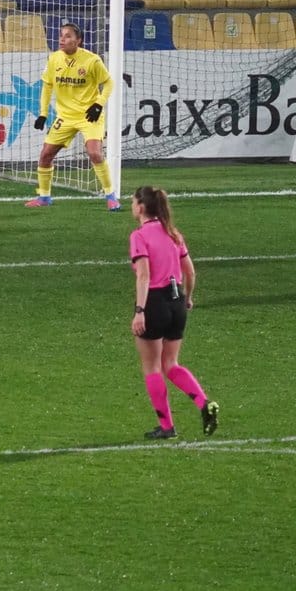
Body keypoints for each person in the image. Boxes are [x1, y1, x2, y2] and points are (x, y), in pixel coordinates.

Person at [128, 185, 219, 439]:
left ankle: (167, 427)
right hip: (177, 301)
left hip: (155, 302)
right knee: (171, 364)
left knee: (152, 366)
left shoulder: (139, 236)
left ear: (142, 207)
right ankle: (204, 403)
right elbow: (190, 272)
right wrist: (187, 298)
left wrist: (139, 311)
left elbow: (144, 275)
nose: (132, 206)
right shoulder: (173, 234)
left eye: (133, 202)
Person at [25, 22, 119, 210]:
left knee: (94, 153)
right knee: (45, 155)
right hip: (65, 116)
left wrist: (98, 104)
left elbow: (109, 83)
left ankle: (111, 196)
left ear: (78, 41)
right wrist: (43, 114)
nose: (62, 39)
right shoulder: (54, 59)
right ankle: (44, 197)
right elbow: (47, 86)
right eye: (61, 35)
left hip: (89, 115)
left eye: (68, 36)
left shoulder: (92, 61)